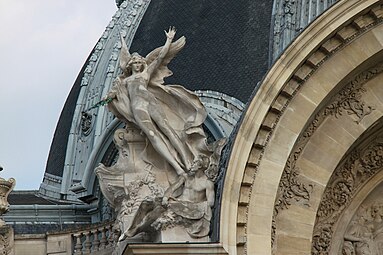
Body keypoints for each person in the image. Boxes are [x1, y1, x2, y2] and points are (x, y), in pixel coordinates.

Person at [105, 27, 207, 176]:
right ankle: (177, 168)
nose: (139, 64)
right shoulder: (125, 81)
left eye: (140, 62)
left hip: (150, 102)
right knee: (153, 136)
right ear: (130, 65)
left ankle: (187, 161)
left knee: (168, 130)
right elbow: (116, 95)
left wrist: (169, 40)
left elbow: (159, 58)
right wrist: (109, 98)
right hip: (138, 107)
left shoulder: (146, 74)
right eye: (136, 62)